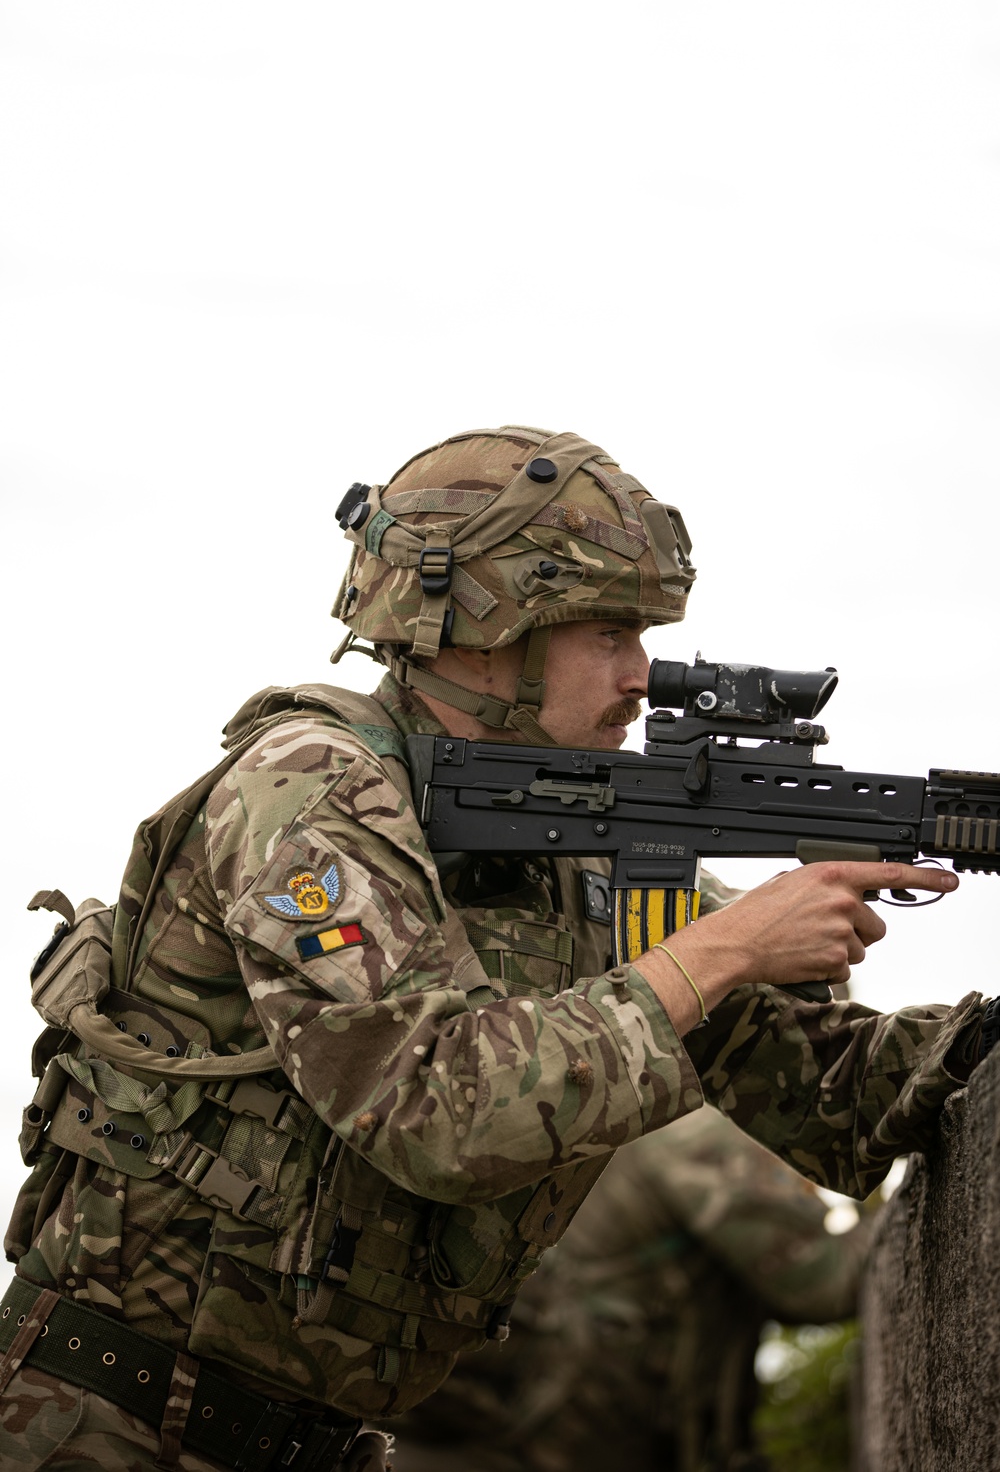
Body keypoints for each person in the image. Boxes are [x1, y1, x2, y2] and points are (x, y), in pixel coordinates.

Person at [0, 426, 984, 1472]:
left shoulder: (577, 857)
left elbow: (831, 1097)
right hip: (98, 1429)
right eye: (607, 633)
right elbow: (437, 1109)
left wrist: (966, 1048)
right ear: (482, 626)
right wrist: (727, 948)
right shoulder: (308, 787)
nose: (641, 677)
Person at [387, 1102, 872, 1472]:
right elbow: (824, 1283)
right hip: (568, 1440)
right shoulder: (692, 1130)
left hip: (483, 1435)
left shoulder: (624, 1103)